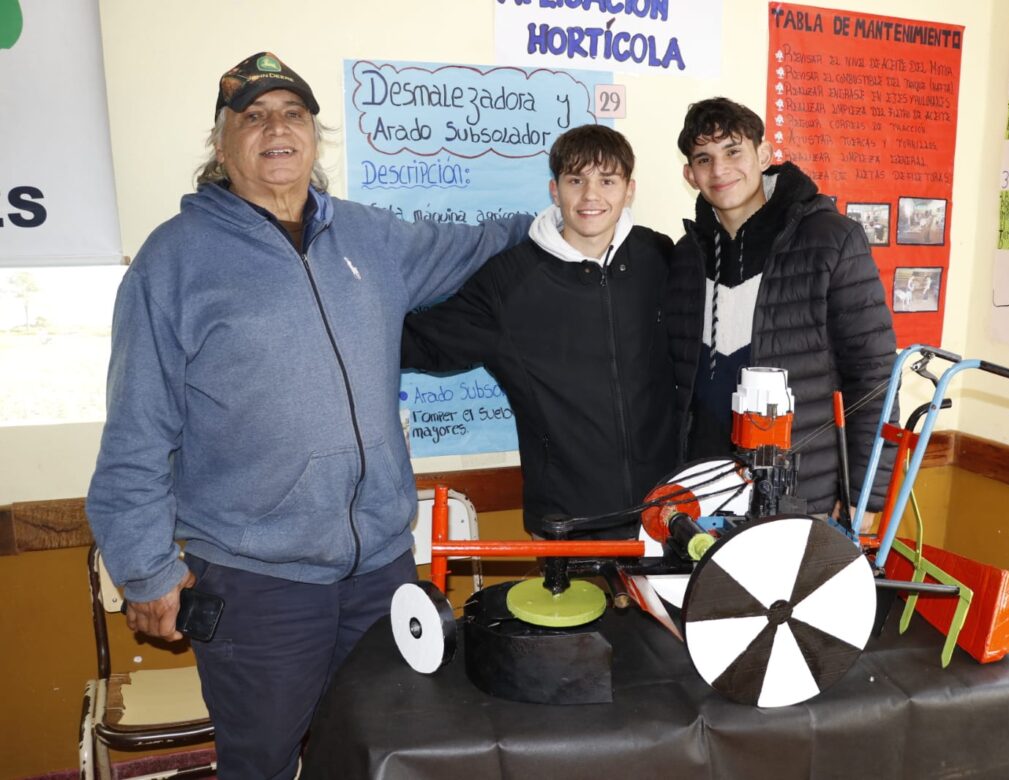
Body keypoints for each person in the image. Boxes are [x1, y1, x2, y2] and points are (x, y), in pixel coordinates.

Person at [85, 52, 531, 779]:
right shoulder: (174, 261)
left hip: (379, 571)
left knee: (373, 751)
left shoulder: (372, 238)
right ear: (222, 143)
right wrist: (144, 571)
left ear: (314, 135)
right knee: (259, 764)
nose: (276, 128)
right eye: (253, 116)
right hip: (256, 584)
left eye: (292, 113)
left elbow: (477, 242)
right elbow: (137, 429)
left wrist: (564, 217)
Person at [401, 124, 676, 539]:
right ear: (554, 189)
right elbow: (423, 343)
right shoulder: (509, 281)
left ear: (629, 190)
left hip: (664, 515)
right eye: (575, 180)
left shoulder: (660, 257)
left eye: (607, 181)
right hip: (566, 523)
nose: (590, 196)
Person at [666, 97, 897, 522]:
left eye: (733, 151)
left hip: (806, 498)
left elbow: (874, 377)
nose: (720, 170)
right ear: (689, 174)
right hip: (705, 495)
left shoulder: (831, 239)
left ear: (765, 154)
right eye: (704, 158)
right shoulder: (685, 256)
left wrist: (864, 495)